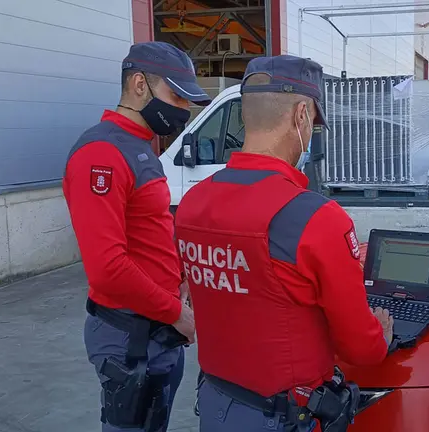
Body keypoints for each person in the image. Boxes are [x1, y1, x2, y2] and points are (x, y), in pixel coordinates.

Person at [173, 55, 394, 431]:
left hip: (216, 404)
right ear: (301, 117)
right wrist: (381, 333)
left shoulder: (191, 205)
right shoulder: (316, 218)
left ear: (246, 116)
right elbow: (361, 347)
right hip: (285, 416)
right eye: (312, 125)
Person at [63, 41, 212, 432]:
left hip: (157, 330)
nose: (182, 109)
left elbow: (152, 228)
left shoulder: (138, 147)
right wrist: (177, 314)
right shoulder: (103, 154)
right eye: (176, 96)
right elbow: (107, 269)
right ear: (140, 84)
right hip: (130, 337)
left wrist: (179, 280)